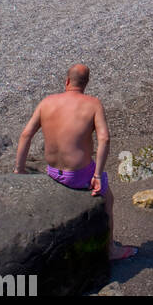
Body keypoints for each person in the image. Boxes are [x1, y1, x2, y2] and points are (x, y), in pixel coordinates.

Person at [13, 63, 137, 260]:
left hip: (53, 172)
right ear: (86, 83)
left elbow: (26, 134)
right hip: (80, 175)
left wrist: (19, 169)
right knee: (109, 199)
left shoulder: (47, 102)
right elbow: (104, 138)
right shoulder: (93, 103)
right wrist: (97, 176)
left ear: (67, 81)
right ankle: (111, 249)